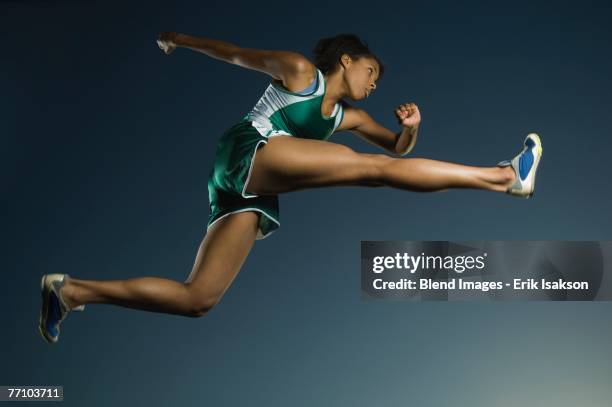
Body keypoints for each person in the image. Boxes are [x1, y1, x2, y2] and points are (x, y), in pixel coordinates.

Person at [39, 32, 542, 343]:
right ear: (346, 60)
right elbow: (235, 54)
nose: (375, 82)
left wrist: (410, 127)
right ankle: (503, 177)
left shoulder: (351, 116)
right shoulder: (302, 74)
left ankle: (71, 291)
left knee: (198, 298)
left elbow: (397, 152)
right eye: (371, 71)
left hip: (246, 190)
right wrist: (181, 39)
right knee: (363, 170)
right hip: (249, 150)